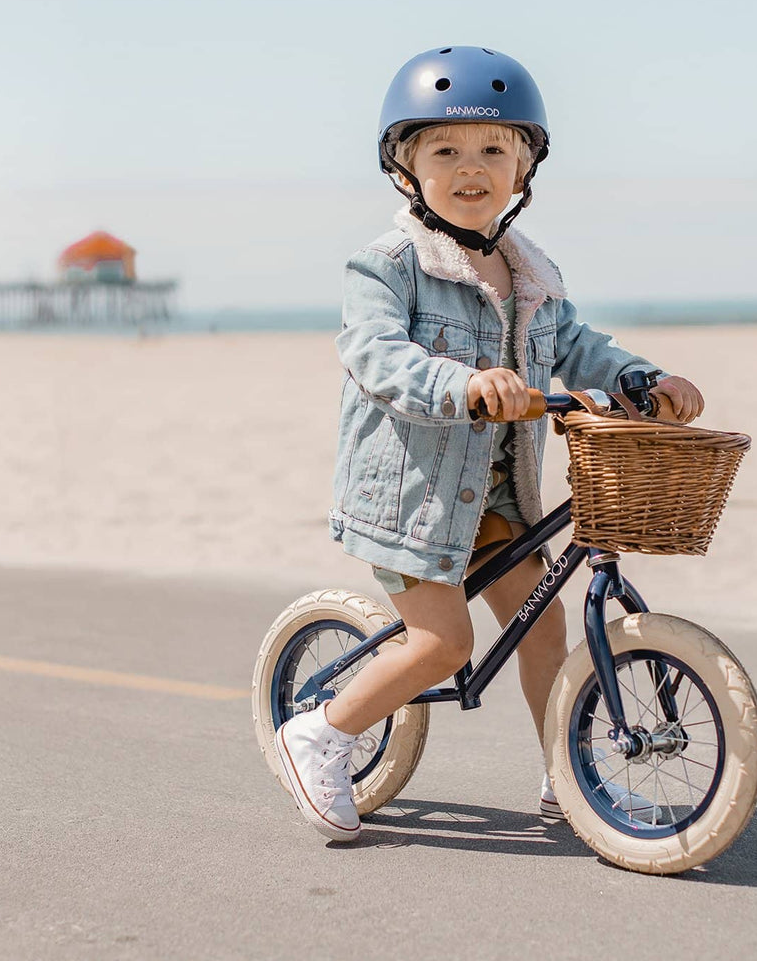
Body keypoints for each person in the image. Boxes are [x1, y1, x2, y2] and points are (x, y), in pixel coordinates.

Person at [275, 46, 704, 841]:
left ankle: (564, 774)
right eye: (445, 151)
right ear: (406, 168)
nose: (471, 169)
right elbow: (375, 354)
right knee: (444, 643)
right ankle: (321, 734)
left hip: (502, 497)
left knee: (545, 628)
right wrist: (461, 383)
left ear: (523, 168)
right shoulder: (388, 265)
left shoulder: (530, 273)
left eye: (494, 151)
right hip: (413, 498)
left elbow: (580, 347)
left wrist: (646, 377)